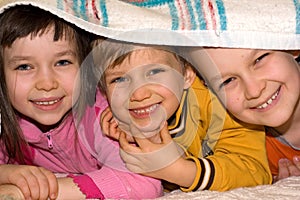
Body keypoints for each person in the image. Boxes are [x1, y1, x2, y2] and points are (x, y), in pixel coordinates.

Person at [0, 5, 162, 199]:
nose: (47, 83)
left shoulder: (104, 118)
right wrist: (7, 173)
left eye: (62, 62)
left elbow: (143, 182)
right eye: (24, 66)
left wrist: (38, 192)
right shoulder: (9, 122)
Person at [96, 39, 272, 192]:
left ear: (187, 75)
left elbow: (255, 171)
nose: (138, 95)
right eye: (119, 80)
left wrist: (179, 170)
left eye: (154, 72)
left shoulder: (217, 102)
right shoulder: (117, 118)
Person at [192, 47, 300, 182]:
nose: (254, 91)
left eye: (259, 59)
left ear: (293, 48)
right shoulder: (243, 150)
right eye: (228, 81)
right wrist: (276, 184)